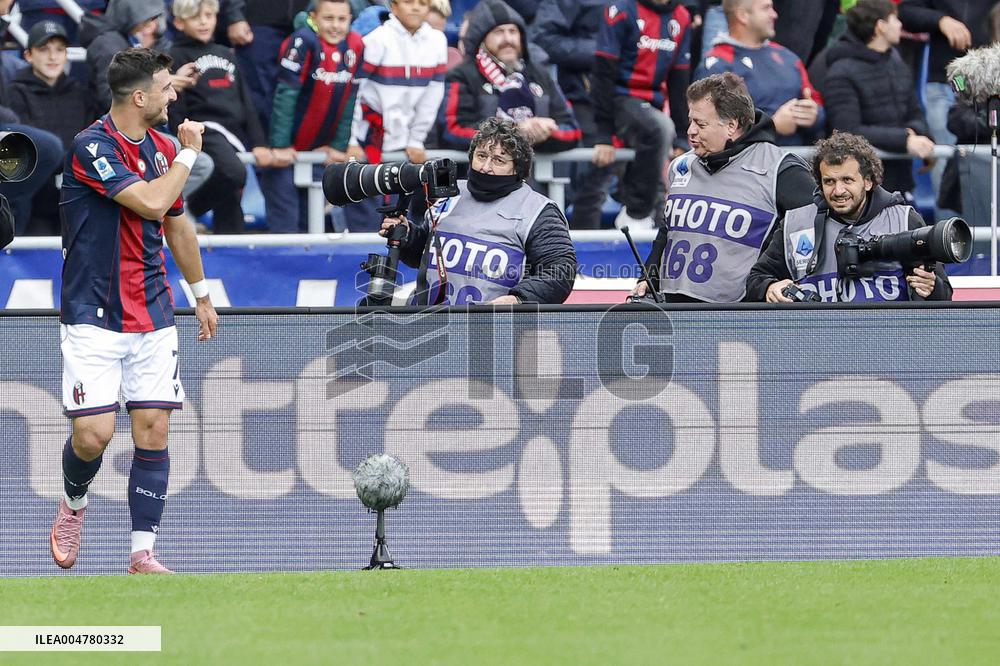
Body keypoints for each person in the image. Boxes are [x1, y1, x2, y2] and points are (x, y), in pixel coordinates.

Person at [51, 48, 219, 574]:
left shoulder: (163, 145)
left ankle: (141, 552)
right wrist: (188, 157)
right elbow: (148, 202)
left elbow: (174, 224)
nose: (175, 96)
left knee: (153, 430)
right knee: (93, 435)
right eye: (167, 88)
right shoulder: (91, 146)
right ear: (140, 96)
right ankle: (74, 505)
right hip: (93, 310)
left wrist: (201, 293)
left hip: (152, 308)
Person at [632, 72, 815, 302]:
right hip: (675, 313)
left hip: (738, 320)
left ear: (731, 125)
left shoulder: (781, 170)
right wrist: (649, 278)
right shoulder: (682, 165)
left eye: (700, 124)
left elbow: (813, 231)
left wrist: (771, 282)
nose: (690, 131)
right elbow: (669, 231)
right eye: (690, 121)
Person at [379, 117, 577, 305]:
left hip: (494, 331)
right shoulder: (449, 192)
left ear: (518, 168)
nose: (486, 167)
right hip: (428, 327)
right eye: (481, 156)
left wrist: (519, 300)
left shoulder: (538, 210)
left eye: (499, 160)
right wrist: (408, 235)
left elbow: (560, 271)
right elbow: (424, 254)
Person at [746, 131, 952, 302]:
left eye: (847, 180)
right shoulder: (795, 224)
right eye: (829, 182)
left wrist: (931, 288)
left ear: (868, 181)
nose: (838, 190)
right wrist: (769, 287)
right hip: (818, 345)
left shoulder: (904, 220)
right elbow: (755, 280)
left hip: (888, 346)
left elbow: (944, 296)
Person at [168, 0, 291, 233]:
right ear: (179, 22)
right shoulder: (175, 55)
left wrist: (260, 143)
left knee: (231, 202)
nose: (204, 21)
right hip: (203, 131)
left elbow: (247, 103)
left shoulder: (227, 53)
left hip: (233, 135)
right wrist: (183, 137)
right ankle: (186, 207)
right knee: (235, 174)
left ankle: (231, 260)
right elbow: (176, 106)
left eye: (209, 15)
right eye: (196, 17)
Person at [344, 0, 447, 231]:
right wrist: (350, 140)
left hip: (403, 148)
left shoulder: (437, 40)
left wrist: (416, 139)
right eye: (409, 2)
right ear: (393, 5)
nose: (416, 7)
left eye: (422, 3)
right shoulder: (376, 40)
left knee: (398, 224)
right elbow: (355, 92)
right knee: (365, 224)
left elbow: (433, 95)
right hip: (367, 141)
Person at [590, 0, 694, 229]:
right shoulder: (620, 11)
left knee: (661, 136)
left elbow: (679, 80)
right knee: (659, 128)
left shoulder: (682, 17)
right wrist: (604, 134)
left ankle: (653, 232)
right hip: (618, 99)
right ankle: (636, 213)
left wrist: (680, 134)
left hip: (654, 104)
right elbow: (603, 74)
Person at [265, 0, 365, 232]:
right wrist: (281, 145)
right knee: (286, 230)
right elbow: (285, 96)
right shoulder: (301, 41)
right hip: (286, 155)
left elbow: (351, 98)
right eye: (328, 19)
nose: (335, 26)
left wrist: (339, 146)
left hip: (323, 154)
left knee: (314, 224)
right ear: (313, 17)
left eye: (342, 19)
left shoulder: (356, 45)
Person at [822, 0, 935, 198]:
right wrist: (904, 140)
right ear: (881, 26)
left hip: (902, 184)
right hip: (862, 192)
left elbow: (915, 112)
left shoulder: (898, 64)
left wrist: (920, 136)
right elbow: (848, 130)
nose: (901, 24)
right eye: (895, 19)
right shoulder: (841, 72)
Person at [439, 0, 580, 153]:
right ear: (481, 39)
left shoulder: (539, 74)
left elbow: (572, 130)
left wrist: (544, 131)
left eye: (513, 31)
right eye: (499, 32)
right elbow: (452, 131)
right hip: (483, 173)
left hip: (534, 175)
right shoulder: (462, 75)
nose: (508, 39)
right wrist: (515, 132)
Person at [694, 0, 824, 147]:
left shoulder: (788, 57)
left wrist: (814, 115)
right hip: (745, 165)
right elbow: (712, 129)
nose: (774, 15)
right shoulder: (718, 65)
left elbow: (815, 102)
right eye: (766, 8)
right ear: (743, 16)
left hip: (798, 161)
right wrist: (771, 126)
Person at [7, 21, 95, 235]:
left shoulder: (80, 94)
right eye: (44, 49)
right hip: (34, 203)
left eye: (59, 49)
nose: (53, 57)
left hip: (76, 200)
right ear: (28, 55)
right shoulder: (13, 93)